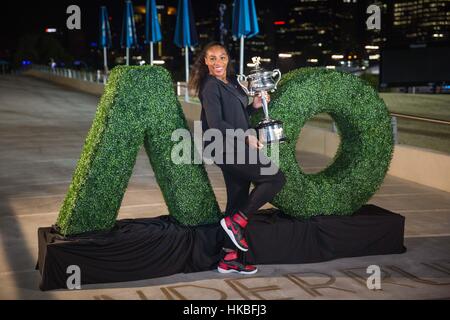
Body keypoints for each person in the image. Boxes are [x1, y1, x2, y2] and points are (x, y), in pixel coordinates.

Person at [189, 42, 286, 275]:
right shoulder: (209, 86)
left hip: (235, 145)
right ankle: (237, 222)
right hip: (225, 147)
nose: (217, 62)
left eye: (221, 57)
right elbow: (217, 124)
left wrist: (254, 106)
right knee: (275, 179)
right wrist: (247, 138)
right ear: (205, 62)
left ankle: (229, 258)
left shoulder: (231, 82)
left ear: (227, 59)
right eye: (212, 58)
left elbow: (237, 114)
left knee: (237, 198)